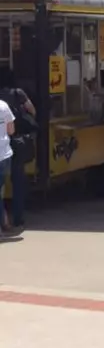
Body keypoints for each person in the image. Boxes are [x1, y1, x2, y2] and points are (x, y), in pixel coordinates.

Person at [0, 69, 36, 231]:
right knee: (18, 181)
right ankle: (18, 217)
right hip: (16, 141)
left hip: (4, 143)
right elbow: (32, 110)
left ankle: (3, 220)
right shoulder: (18, 93)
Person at [0, 96, 15, 234]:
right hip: (4, 156)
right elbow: (11, 130)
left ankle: (4, 222)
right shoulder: (4, 106)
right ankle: (4, 222)